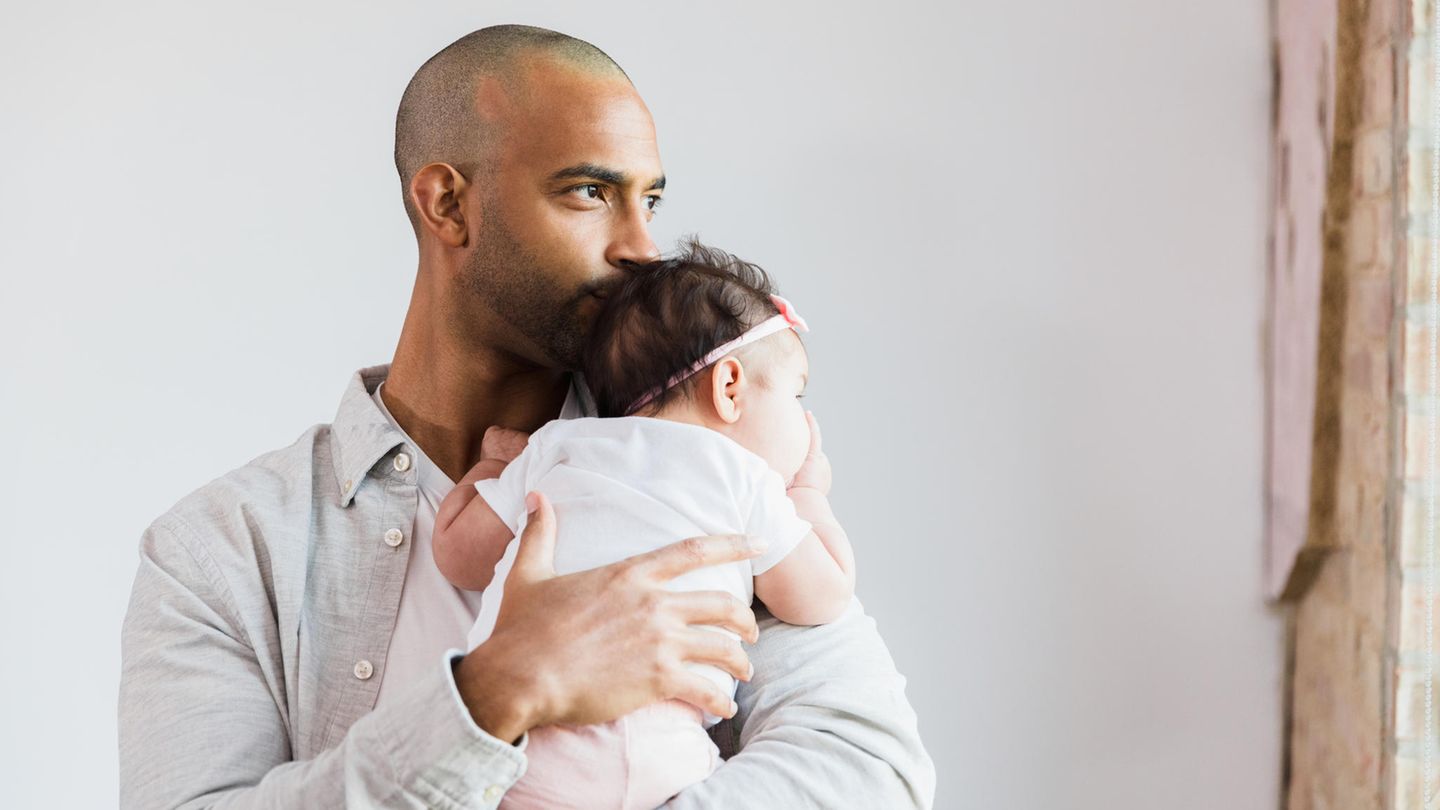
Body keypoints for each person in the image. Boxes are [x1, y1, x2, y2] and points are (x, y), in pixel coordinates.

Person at [118, 24, 935, 809]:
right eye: (590, 191)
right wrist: (499, 689)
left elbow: (869, 770)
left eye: (650, 199)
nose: (642, 248)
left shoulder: (704, 470)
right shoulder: (219, 551)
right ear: (446, 204)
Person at [432, 243, 856, 808]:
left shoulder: (556, 447)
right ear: (730, 387)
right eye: (795, 393)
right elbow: (821, 597)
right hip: (663, 758)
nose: (805, 421)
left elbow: (457, 556)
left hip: (520, 755)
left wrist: (490, 469)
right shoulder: (744, 479)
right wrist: (809, 497)